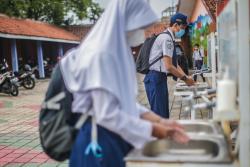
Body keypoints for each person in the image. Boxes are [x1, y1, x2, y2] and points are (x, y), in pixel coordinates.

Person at [59, 0, 190, 167]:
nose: (144, 32)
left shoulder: (118, 52)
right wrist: (156, 130)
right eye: (140, 26)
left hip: (113, 136)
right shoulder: (100, 55)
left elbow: (125, 103)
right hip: (96, 141)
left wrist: (160, 121)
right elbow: (108, 114)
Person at [144, 13, 195, 119]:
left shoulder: (168, 37)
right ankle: (158, 136)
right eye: (183, 27)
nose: (183, 31)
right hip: (155, 78)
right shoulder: (166, 39)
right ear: (176, 25)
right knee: (160, 117)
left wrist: (186, 77)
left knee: (163, 115)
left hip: (158, 79)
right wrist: (185, 79)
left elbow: (175, 64)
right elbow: (169, 66)